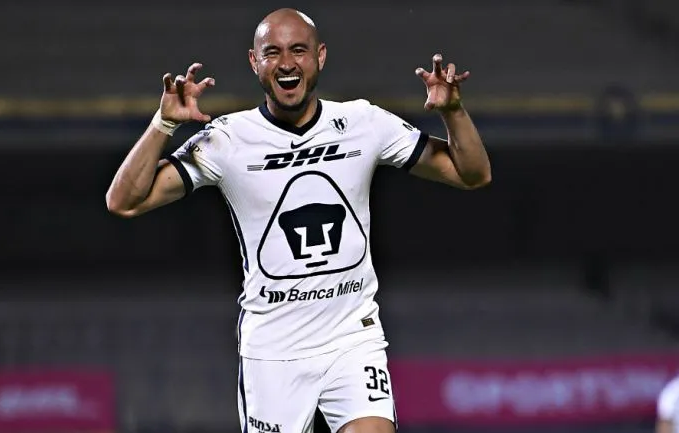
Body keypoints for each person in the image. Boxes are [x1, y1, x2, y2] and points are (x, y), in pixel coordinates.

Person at [106, 8, 491, 433]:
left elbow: (472, 174)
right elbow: (124, 201)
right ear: (255, 63)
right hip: (273, 352)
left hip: (352, 338)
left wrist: (453, 111)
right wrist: (164, 123)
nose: (287, 62)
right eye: (272, 52)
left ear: (320, 57)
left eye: (299, 50)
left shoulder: (364, 123)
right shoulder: (228, 139)